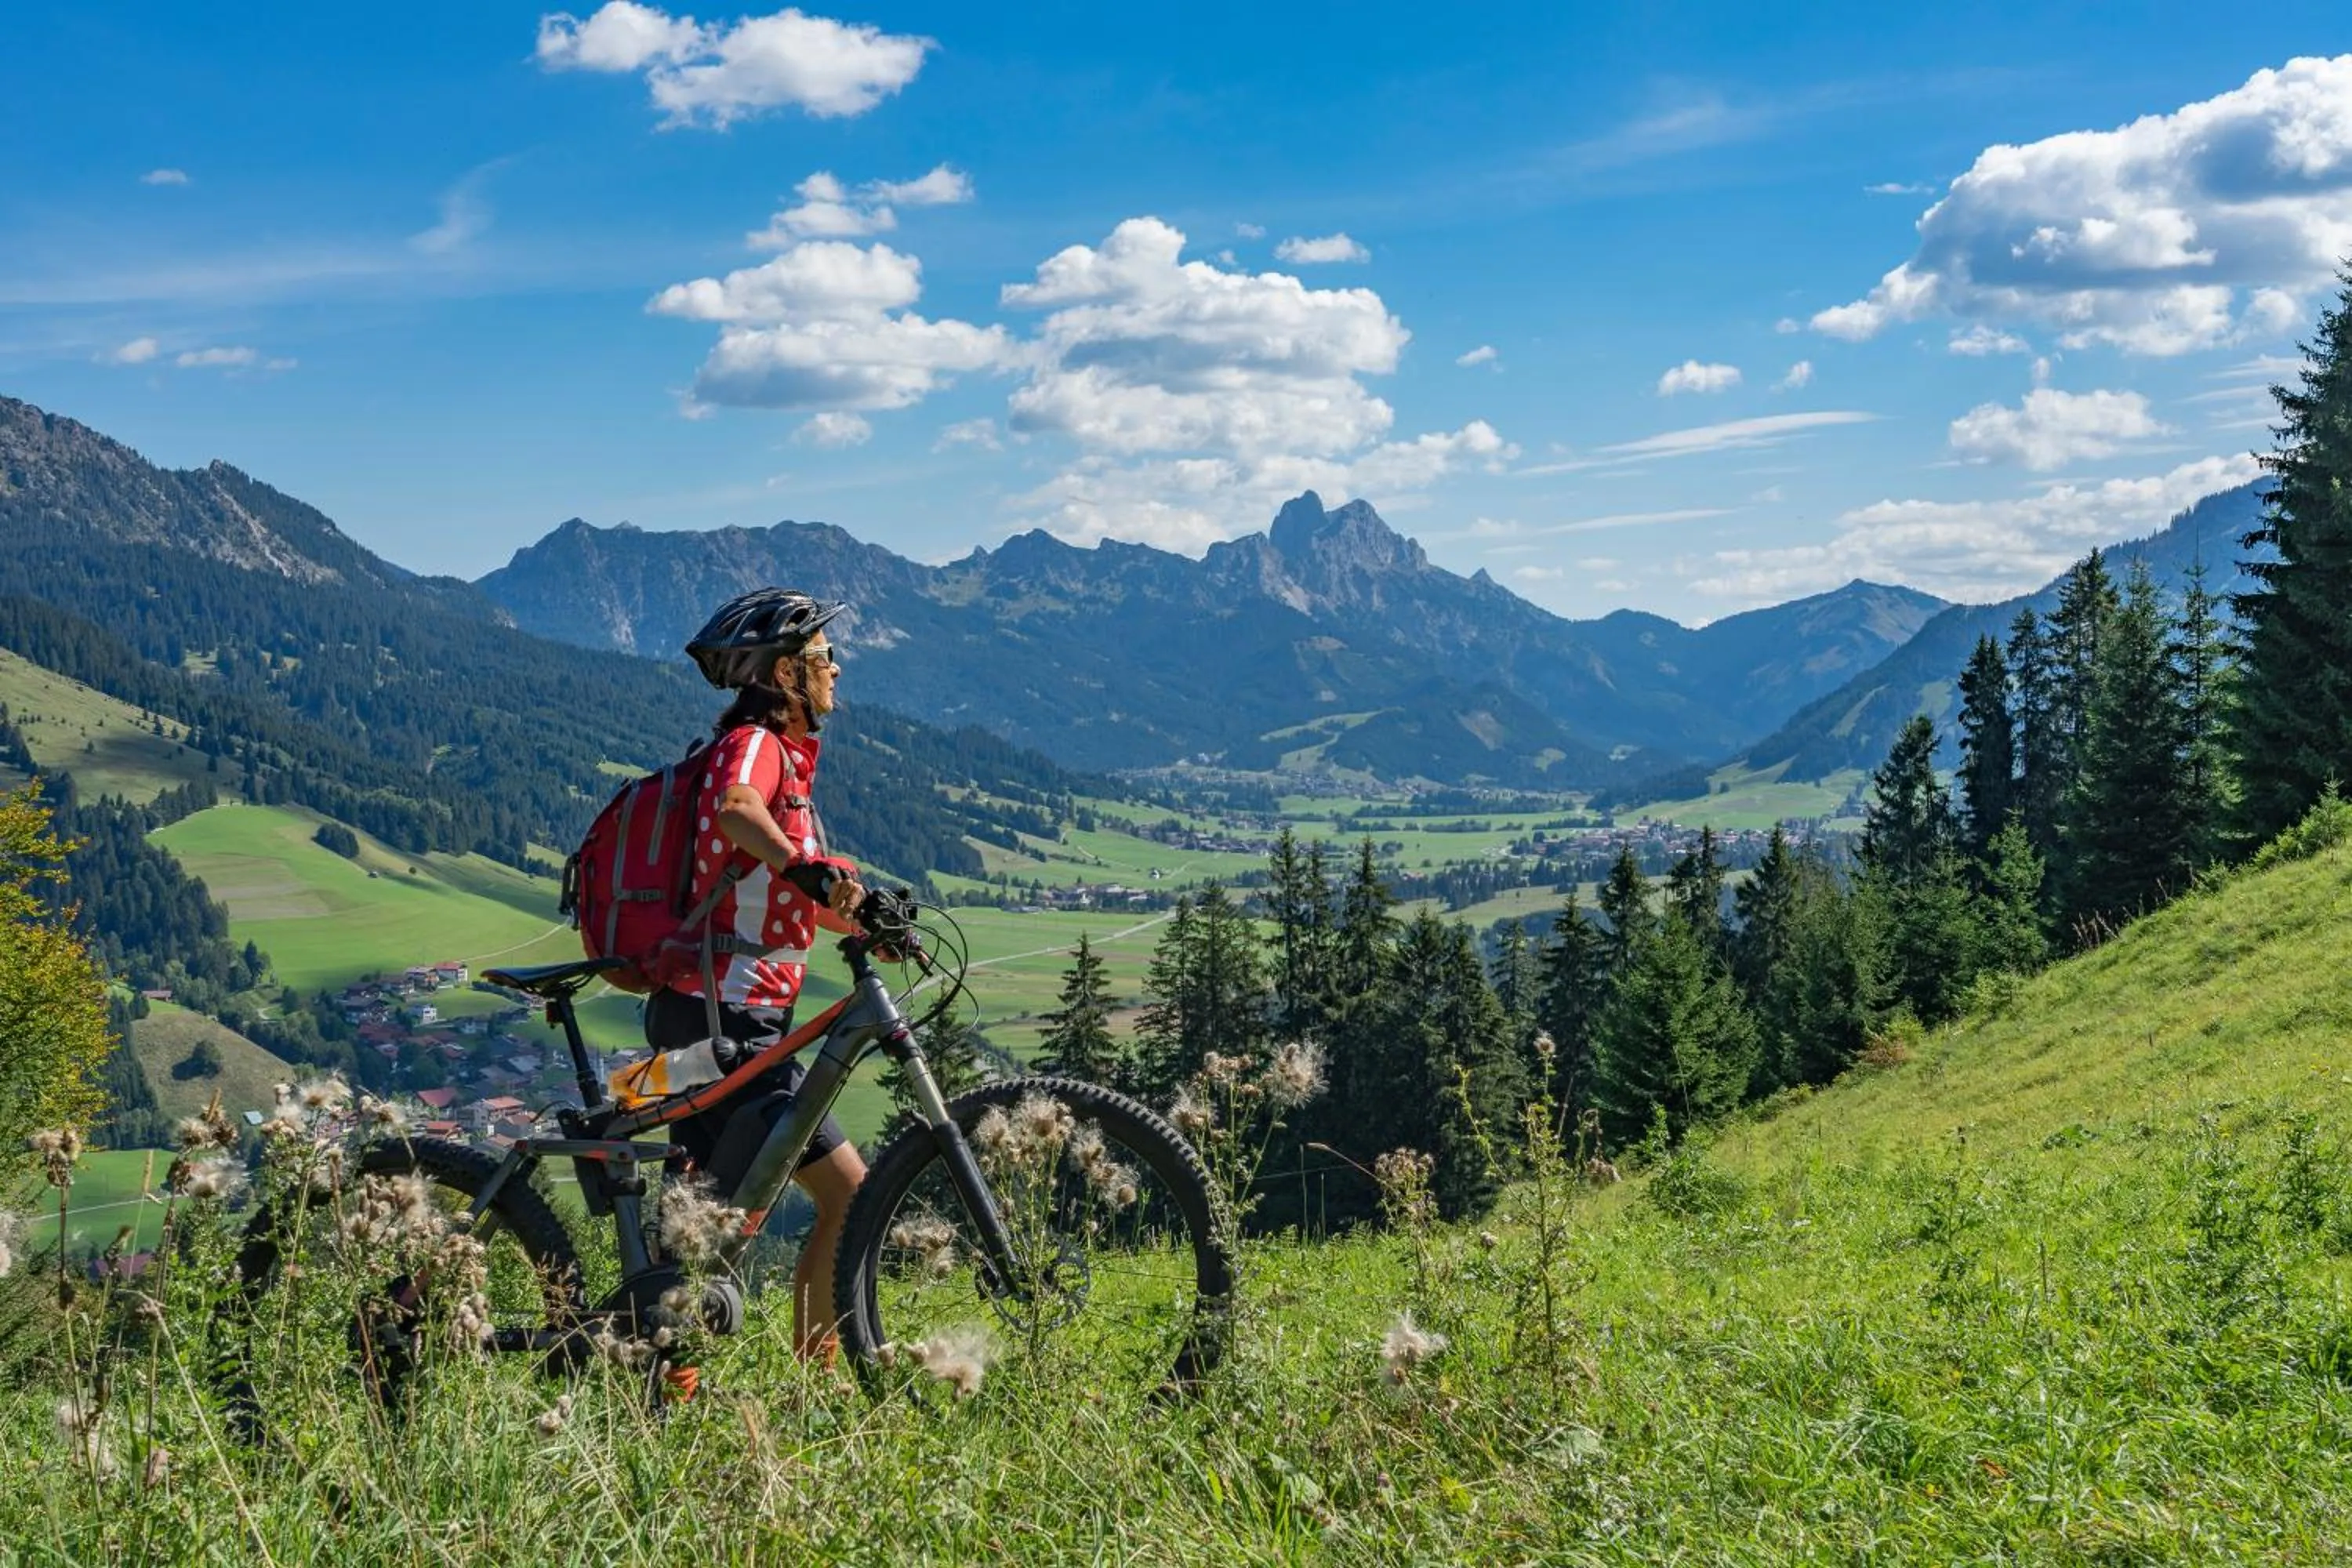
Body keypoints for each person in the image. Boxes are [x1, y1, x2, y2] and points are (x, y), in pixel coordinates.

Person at [648, 586, 866, 1362]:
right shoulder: (755, 744)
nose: (836, 668)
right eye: (821, 657)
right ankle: (823, 1381)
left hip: (727, 1018)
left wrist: (864, 917)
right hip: (722, 1020)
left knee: (701, 1219)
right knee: (843, 1192)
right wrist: (804, 863)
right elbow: (738, 811)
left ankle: (657, 1379)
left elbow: (787, 891)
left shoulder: (790, 764)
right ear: (783, 673)